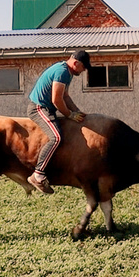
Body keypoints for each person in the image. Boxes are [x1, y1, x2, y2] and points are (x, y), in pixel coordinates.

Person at [26, 50, 91, 194]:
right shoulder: (62, 72)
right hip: (38, 108)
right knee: (56, 137)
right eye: (84, 67)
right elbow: (57, 100)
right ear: (76, 63)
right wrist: (69, 115)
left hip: (48, 108)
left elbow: (65, 96)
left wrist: (77, 111)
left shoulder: (66, 72)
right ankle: (37, 175)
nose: (84, 70)